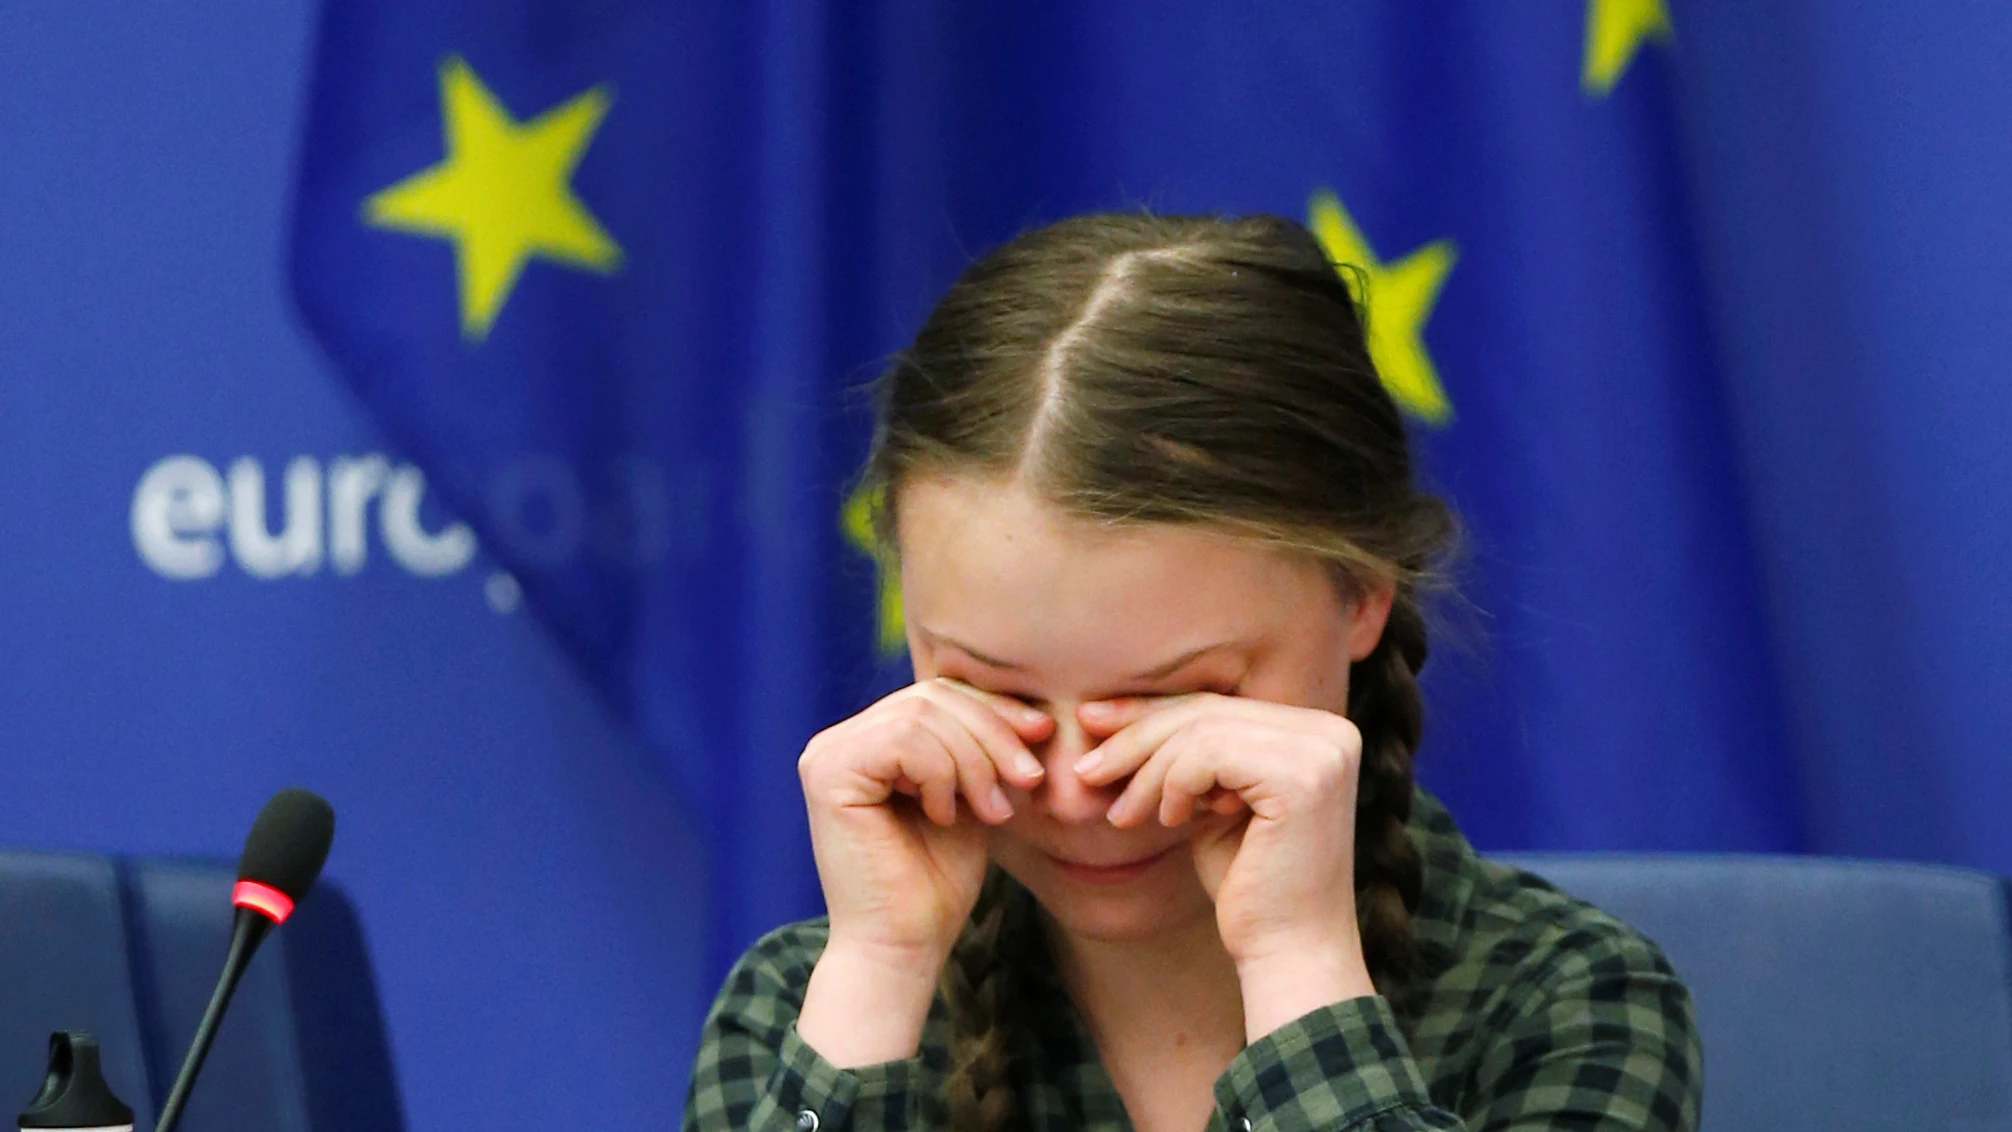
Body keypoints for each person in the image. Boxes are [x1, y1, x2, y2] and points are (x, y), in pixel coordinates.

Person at [683, 213, 1701, 1132]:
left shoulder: (1565, 998)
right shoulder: (803, 1005)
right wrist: (880, 976)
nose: (1083, 787)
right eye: (1002, 695)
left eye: (1173, 699)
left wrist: (1298, 969)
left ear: (1359, 594)